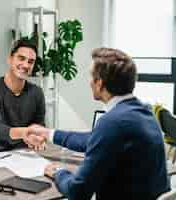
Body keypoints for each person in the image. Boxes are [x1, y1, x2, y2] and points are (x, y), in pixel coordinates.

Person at [29, 48, 170, 199]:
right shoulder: (146, 112)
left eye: (91, 78)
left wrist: (58, 172)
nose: (90, 83)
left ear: (99, 84)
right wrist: (49, 133)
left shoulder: (112, 123)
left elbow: (78, 192)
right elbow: (92, 140)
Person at [0, 39, 46, 153]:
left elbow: (39, 125)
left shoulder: (37, 93)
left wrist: (39, 138)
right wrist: (25, 133)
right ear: (10, 59)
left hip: (25, 155)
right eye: (21, 58)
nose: (25, 65)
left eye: (31, 62)